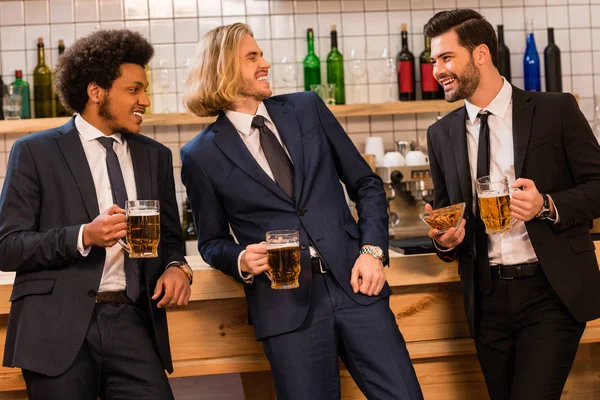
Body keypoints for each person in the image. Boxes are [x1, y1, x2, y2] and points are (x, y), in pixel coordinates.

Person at [180, 23, 423, 399]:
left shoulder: (306, 108)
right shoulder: (200, 155)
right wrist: (242, 258)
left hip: (357, 286)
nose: (266, 63)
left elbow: (366, 185)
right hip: (285, 308)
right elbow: (211, 241)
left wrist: (372, 251)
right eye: (252, 57)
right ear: (224, 68)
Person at [0, 29, 193, 400]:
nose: (145, 100)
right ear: (95, 92)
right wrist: (84, 236)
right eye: (134, 90)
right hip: (56, 328)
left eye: (145, 90)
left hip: (132, 322)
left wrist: (176, 267)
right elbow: (8, 246)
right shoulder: (35, 152)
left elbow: (170, 239)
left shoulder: (155, 156)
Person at [424, 9, 600, 400]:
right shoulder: (440, 134)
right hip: (486, 300)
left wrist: (546, 204)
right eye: (433, 60)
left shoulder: (556, 109)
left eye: (446, 57)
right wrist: (444, 239)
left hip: (550, 292)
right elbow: (444, 215)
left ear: (481, 54)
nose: (437, 69)